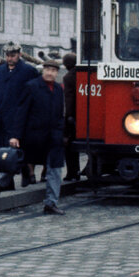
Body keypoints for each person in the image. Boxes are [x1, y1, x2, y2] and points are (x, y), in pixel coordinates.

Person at [0, 41, 38, 200]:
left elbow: (35, 95)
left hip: (19, 118)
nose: (10, 58)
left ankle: (0, 184)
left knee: (13, 151)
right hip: (1, 117)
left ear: (19, 55)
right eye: (8, 56)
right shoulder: (0, 71)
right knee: (4, 149)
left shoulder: (29, 71)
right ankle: (19, 175)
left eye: (13, 55)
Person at [17, 58, 67, 215]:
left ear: (57, 73)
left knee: (55, 169)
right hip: (34, 136)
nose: (50, 73)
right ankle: (0, 184)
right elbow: (21, 113)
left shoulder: (58, 89)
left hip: (53, 137)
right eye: (47, 70)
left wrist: (61, 131)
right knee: (16, 162)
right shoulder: (31, 87)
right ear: (43, 70)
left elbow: (60, 113)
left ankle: (51, 203)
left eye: (53, 71)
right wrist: (15, 136)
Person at [61, 52, 81, 182]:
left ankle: (72, 173)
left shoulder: (68, 77)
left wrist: (68, 116)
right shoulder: (82, 74)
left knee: (69, 146)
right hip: (84, 115)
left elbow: (69, 99)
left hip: (72, 116)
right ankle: (77, 171)